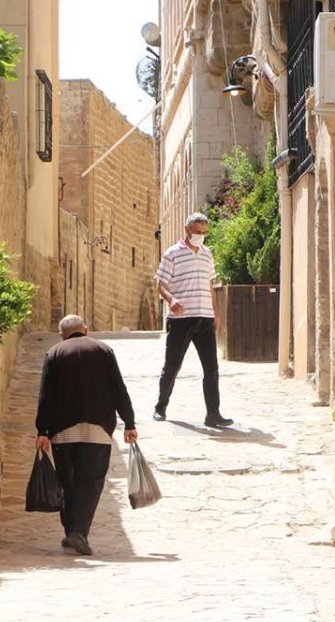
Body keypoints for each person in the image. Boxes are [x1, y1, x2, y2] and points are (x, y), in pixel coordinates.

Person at [34, 315, 137, 556]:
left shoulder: (55, 353)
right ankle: (78, 532)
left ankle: (73, 531)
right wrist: (129, 422)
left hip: (63, 433)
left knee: (67, 484)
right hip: (98, 431)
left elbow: (45, 396)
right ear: (86, 330)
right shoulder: (104, 350)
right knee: (90, 483)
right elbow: (118, 388)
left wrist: (42, 430)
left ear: (62, 334)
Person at [152, 212, 234, 428]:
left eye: (204, 233)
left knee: (211, 368)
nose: (201, 236)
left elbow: (210, 285)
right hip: (181, 319)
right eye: (197, 231)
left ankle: (213, 414)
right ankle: (160, 407)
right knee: (172, 365)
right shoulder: (172, 253)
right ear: (187, 230)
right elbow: (161, 284)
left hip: (204, 318)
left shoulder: (207, 254)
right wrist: (171, 300)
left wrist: (215, 313)